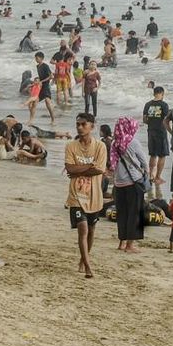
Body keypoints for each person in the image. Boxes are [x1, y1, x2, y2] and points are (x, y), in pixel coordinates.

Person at [64, 113, 107, 279]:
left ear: (92, 126)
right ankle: (88, 267)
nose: (80, 127)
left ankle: (83, 259)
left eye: (83, 124)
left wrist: (78, 169)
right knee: (82, 228)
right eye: (78, 125)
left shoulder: (100, 146)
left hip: (95, 195)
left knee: (91, 230)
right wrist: (88, 166)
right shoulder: (71, 146)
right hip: (76, 195)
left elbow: (99, 169)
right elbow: (69, 168)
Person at [110, 117, 148, 253]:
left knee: (122, 214)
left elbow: (112, 163)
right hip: (133, 182)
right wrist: (147, 174)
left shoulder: (114, 143)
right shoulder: (133, 142)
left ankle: (122, 242)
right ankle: (130, 245)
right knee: (135, 214)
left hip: (119, 183)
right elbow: (144, 161)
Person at [142, 86, 170, 185]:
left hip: (151, 131)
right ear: (162, 94)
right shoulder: (164, 105)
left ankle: (151, 176)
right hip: (161, 132)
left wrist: (152, 122)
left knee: (153, 154)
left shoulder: (147, 105)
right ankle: (158, 177)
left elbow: (144, 120)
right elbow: (166, 120)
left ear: (154, 93)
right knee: (162, 155)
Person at [32, 52, 56, 123]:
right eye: (35, 58)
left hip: (46, 86)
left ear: (41, 58)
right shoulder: (37, 66)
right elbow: (40, 77)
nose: (36, 59)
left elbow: (51, 76)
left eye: (37, 58)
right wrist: (36, 82)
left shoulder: (45, 66)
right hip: (41, 87)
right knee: (34, 102)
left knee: (47, 102)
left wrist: (42, 81)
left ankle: (53, 120)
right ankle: (31, 120)